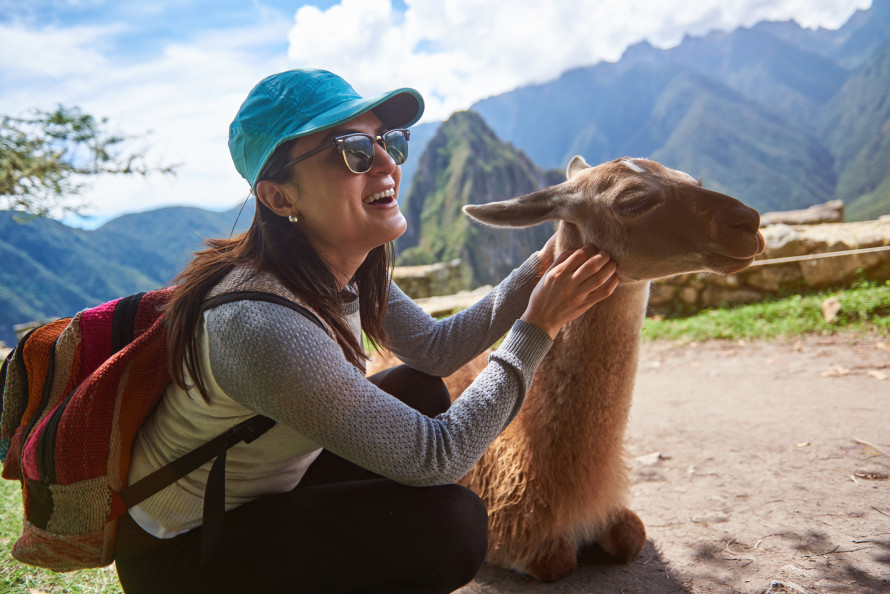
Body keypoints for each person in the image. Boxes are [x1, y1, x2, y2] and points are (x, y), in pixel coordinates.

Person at [113, 68, 618, 594]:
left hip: (266, 495)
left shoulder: (343, 264)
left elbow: (434, 350)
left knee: (421, 387)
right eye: (350, 151)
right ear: (280, 197)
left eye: (388, 142)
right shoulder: (261, 324)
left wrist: (542, 265)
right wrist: (536, 327)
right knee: (450, 527)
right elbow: (435, 459)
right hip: (182, 553)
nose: (385, 164)